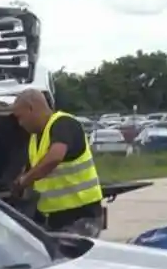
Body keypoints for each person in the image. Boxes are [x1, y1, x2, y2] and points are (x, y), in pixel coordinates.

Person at [6, 89, 105, 236]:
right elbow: (34, 172)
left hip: (81, 217)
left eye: (21, 117)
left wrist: (24, 180)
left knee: (68, 257)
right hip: (54, 219)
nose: (20, 123)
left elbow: (54, 158)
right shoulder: (35, 139)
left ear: (31, 108)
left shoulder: (64, 124)